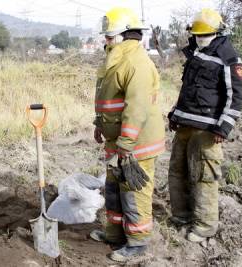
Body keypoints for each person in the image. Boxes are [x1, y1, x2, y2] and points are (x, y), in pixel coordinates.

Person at [89, 7, 166, 262]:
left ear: (124, 35)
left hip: (135, 145)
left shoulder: (136, 62)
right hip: (118, 142)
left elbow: (137, 107)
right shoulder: (117, 59)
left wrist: (126, 142)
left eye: (110, 37)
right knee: (113, 190)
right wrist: (100, 125)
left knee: (134, 193)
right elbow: (110, 101)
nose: (106, 41)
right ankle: (115, 234)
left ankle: (137, 243)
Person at [167, 8, 242, 242]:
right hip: (184, 124)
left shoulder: (228, 56)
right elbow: (188, 90)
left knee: (204, 176)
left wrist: (224, 127)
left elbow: (236, 96)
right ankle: (181, 216)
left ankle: (205, 226)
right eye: (197, 35)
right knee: (177, 171)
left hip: (208, 130)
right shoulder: (194, 53)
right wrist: (174, 114)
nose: (201, 39)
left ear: (218, 32)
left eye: (205, 35)